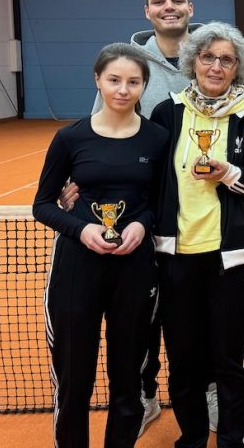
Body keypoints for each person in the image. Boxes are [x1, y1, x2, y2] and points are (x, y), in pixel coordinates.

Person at [62, 0, 209, 435]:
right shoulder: (127, 61)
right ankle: (143, 396)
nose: (170, 7)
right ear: (147, 11)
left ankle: (203, 393)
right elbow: (96, 128)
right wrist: (75, 179)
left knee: (192, 310)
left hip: (198, 209)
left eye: (178, 0)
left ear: (190, 7)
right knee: (140, 316)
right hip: (137, 213)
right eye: (159, 1)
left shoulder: (207, 56)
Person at [150, 21, 244, 448]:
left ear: (237, 68)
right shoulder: (166, 112)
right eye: (207, 57)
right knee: (184, 360)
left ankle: (232, 440)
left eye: (226, 60)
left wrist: (232, 174)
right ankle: (190, 438)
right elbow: (143, 174)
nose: (215, 66)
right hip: (174, 256)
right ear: (193, 61)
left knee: (229, 360)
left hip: (233, 259)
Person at [33, 43, 169, 447]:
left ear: (144, 86)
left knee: (127, 380)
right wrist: (81, 230)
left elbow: (161, 204)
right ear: (98, 80)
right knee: (75, 379)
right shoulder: (70, 137)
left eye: (133, 82)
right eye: (114, 80)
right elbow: (42, 204)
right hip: (77, 268)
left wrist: (143, 226)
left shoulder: (157, 139)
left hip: (135, 268)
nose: (123, 90)